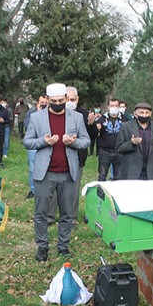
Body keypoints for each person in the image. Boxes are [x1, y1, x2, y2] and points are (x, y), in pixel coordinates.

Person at [23, 83, 90, 262]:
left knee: (68, 212)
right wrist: (44, 142)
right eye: (54, 101)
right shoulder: (37, 118)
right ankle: (42, 246)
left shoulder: (76, 118)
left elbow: (86, 141)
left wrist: (73, 143)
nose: (58, 103)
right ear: (48, 99)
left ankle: (63, 246)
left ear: (66, 99)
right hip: (45, 173)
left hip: (69, 172)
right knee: (41, 211)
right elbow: (27, 142)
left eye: (61, 100)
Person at [66, 86, 97, 221]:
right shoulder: (56, 113)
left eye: (72, 99)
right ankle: (50, 216)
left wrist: (91, 124)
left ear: (77, 99)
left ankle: (71, 217)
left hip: (78, 157)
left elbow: (93, 136)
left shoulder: (84, 114)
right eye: (66, 99)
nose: (69, 102)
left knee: (73, 189)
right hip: (58, 157)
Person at [116, 102, 153, 180]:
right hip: (132, 171)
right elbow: (119, 148)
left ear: (150, 114)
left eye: (147, 113)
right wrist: (131, 143)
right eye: (141, 112)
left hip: (152, 172)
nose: (144, 115)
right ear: (135, 114)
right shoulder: (126, 127)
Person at [24, 95, 49, 199]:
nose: (43, 105)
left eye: (45, 103)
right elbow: (27, 127)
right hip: (34, 144)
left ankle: (46, 189)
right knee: (32, 168)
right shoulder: (31, 113)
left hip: (47, 144)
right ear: (37, 103)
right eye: (41, 102)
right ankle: (33, 190)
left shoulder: (51, 113)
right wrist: (38, 114)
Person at [95, 98, 124, 181]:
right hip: (105, 151)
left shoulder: (124, 119)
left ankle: (117, 193)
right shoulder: (101, 119)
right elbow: (94, 133)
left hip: (119, 152)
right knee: (102, 176)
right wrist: (95, 128)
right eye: (112, 105)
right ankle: (100, 193)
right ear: (108, 107)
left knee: (119, 177)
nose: (114, 107)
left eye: (116, 105)